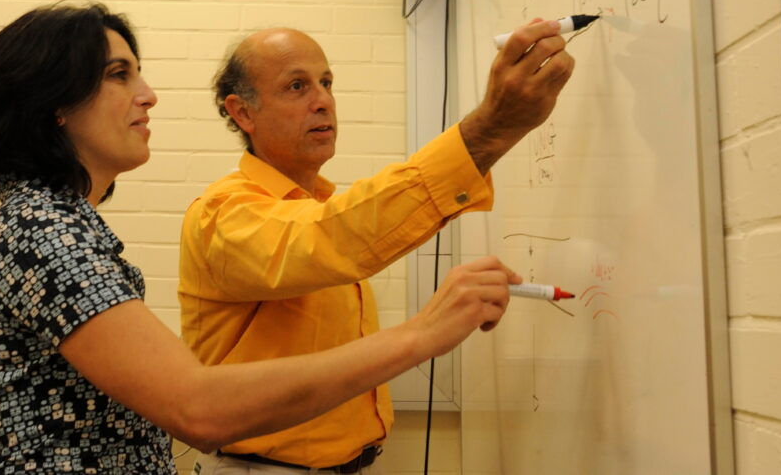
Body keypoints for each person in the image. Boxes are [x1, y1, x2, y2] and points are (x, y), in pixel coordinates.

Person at [0, 1, 522, 474]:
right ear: (54, 104)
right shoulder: (44, 231)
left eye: (326, 83)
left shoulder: (56, 223)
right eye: (118, 74)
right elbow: (198, 408)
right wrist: (422, 333)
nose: (149, 94)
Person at [178, 24, 575, 473]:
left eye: (326, 83)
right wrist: (486, 130)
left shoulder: (319, 206)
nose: (323, 99)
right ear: (243, 113)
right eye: (296, 86)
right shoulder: (222, 214)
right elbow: (328, 238)